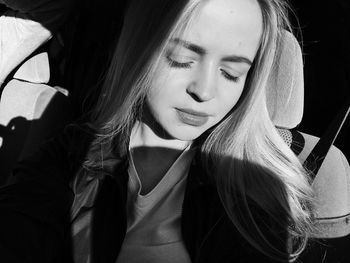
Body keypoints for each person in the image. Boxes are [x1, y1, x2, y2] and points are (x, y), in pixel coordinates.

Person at [0, 0, 315, 262]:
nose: (204, 91)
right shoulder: (73, 151)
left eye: (231, 73)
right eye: (181, 59)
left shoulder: (253, 194)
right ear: (138, 47)